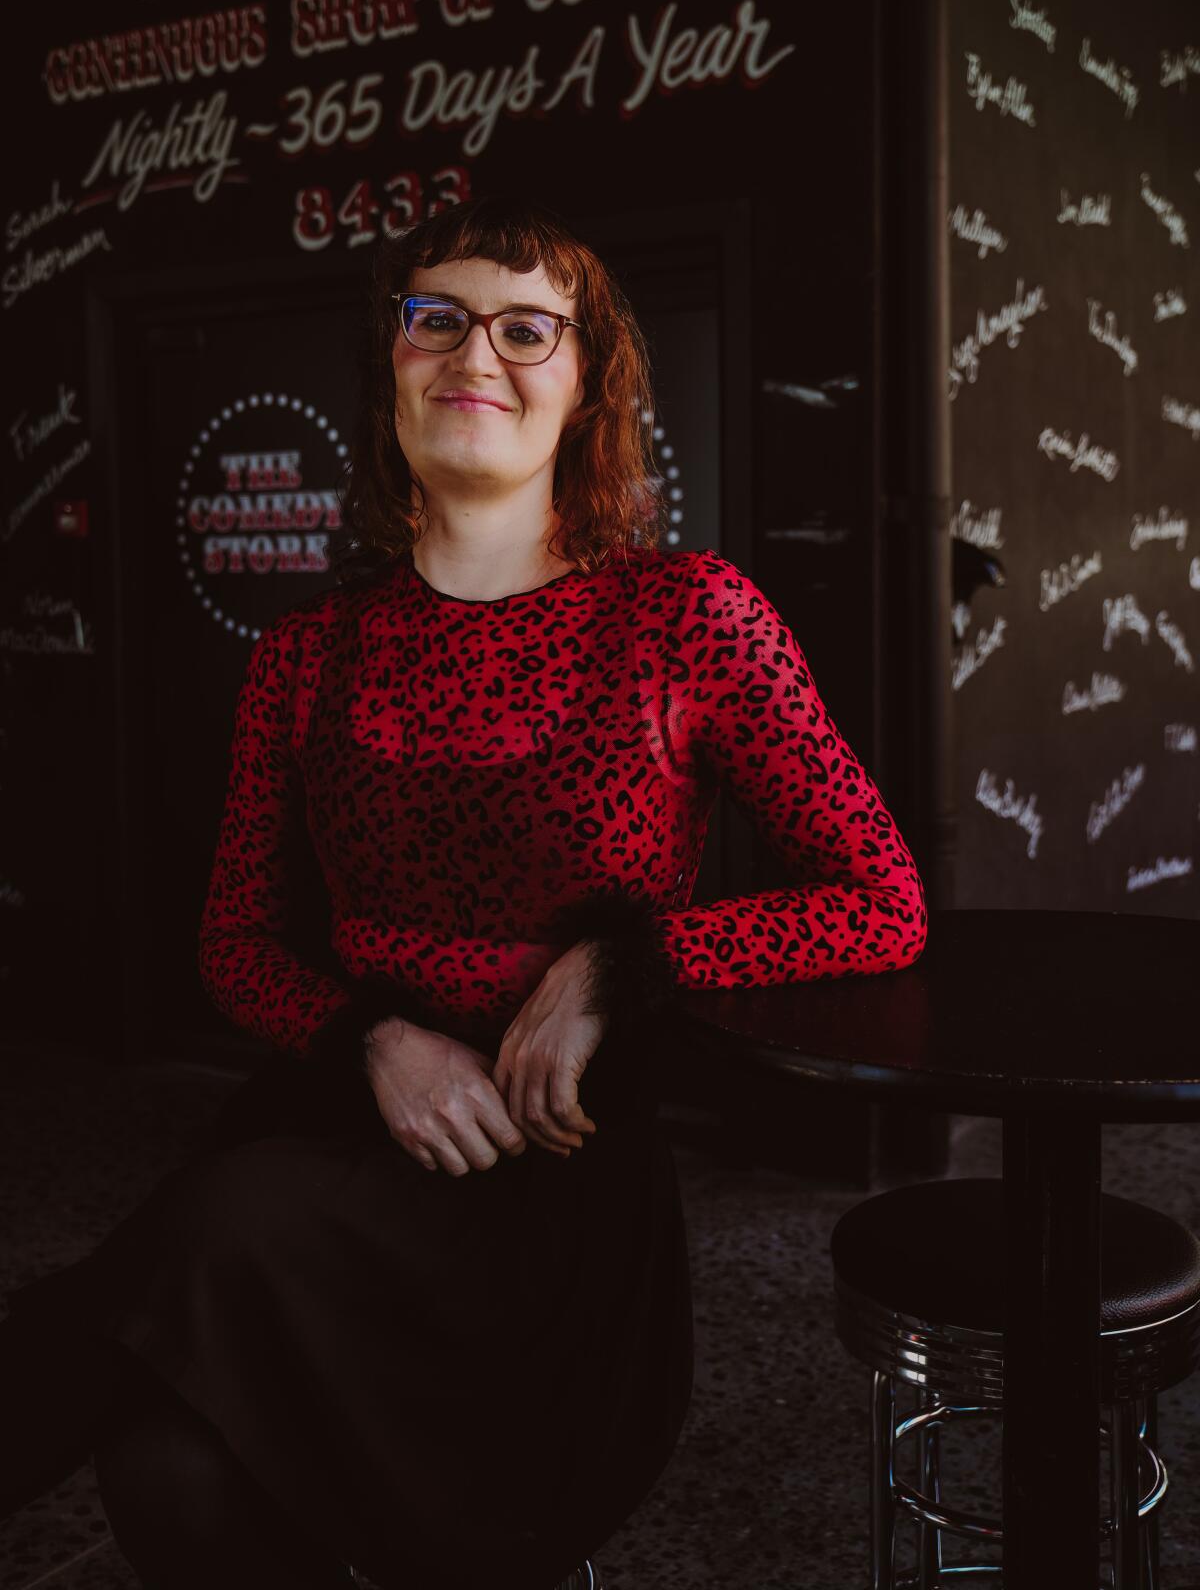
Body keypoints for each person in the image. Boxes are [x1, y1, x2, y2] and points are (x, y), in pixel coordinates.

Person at [0, 194, 928, 1589]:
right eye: (433, 317)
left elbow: (881, 898)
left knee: (214, 1225)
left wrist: (620, 966)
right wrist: (373, 1036)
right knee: (165, 1469)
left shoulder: (689, 614)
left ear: (589, 381)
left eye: (524, 326)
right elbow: (235, 944)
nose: (471, 352)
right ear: (390, 365)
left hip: (545, 1189)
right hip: (329, 1139)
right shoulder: (305, 655)